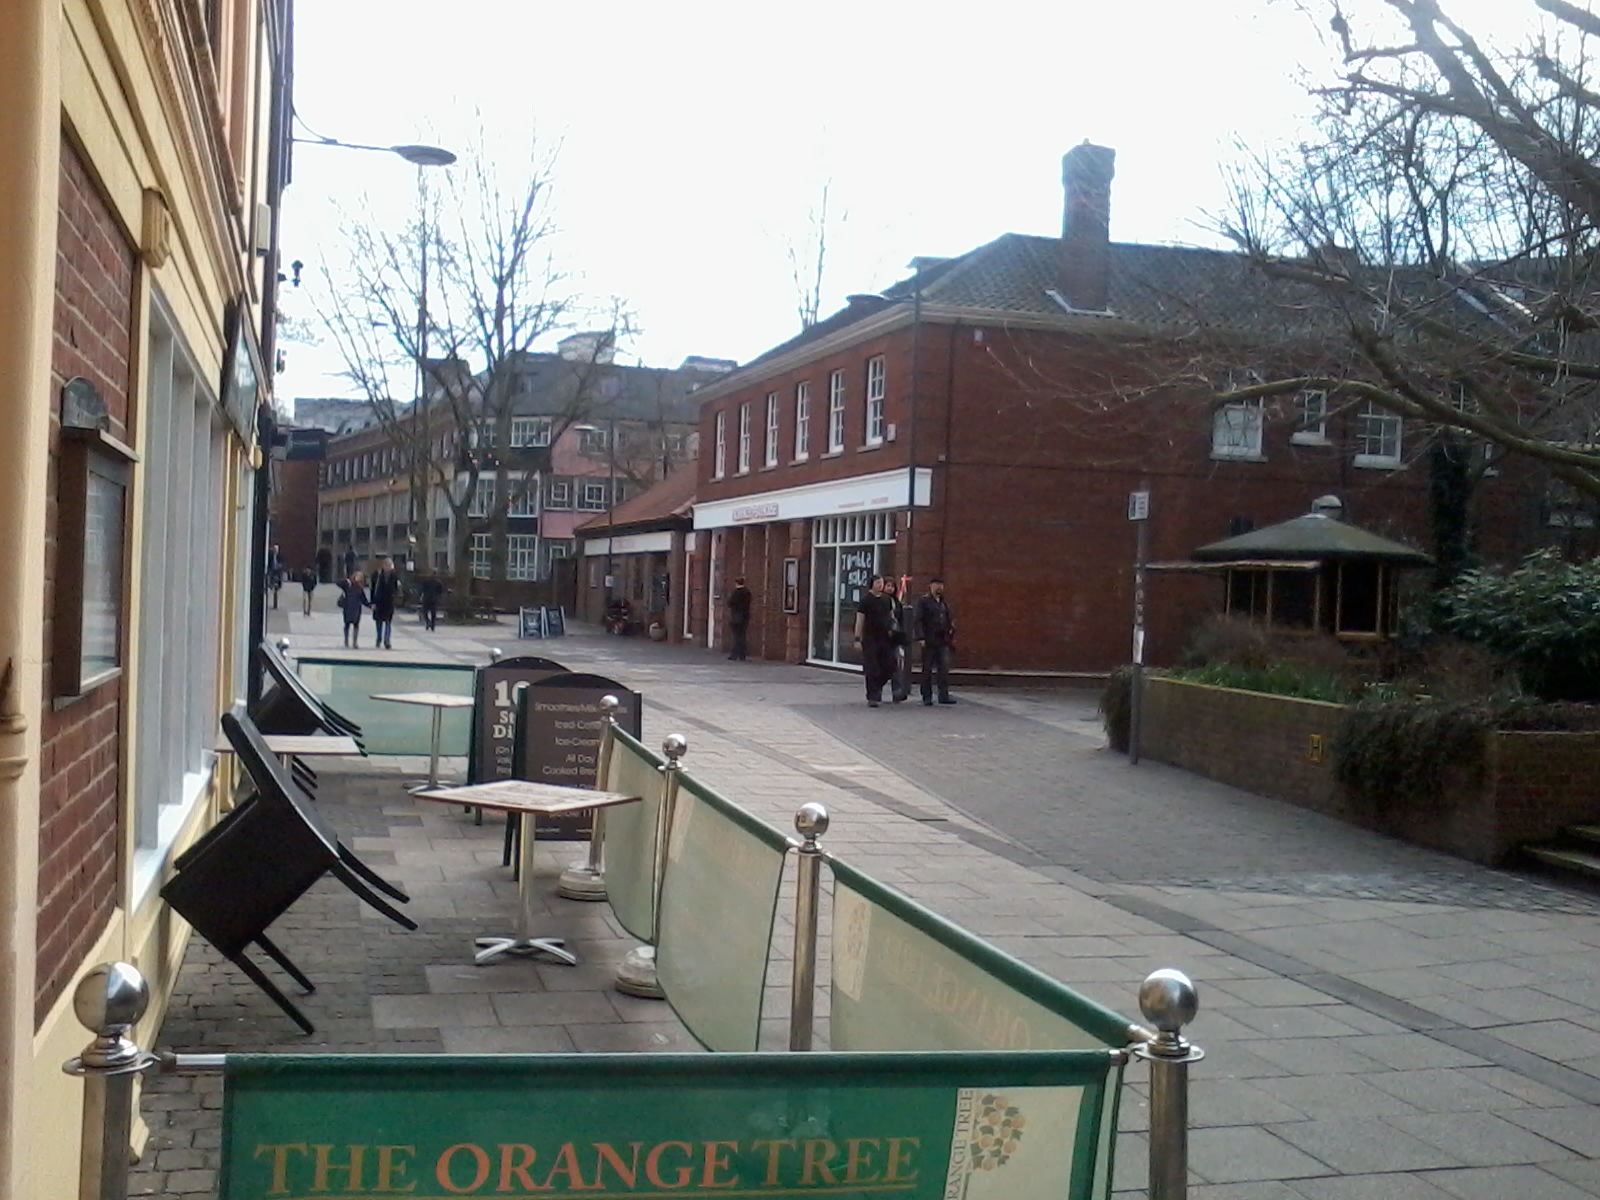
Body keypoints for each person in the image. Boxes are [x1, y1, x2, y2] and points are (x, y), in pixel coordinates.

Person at [852, 574, 899, 708]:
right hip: (870, 638)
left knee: (890, 665)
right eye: (878, 582)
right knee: (872, 667)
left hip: (885, 637)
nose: (880, 585)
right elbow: (860, 620)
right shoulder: (865, 601)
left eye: (882, 582)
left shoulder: (887, 599)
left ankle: (878, 686)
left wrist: (894, 630)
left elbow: (892, 616)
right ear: (872, 584)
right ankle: (872, 696)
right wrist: (857, 638)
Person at [915, 576, 958, 706]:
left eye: (941, 585)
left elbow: (948, 619)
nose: (939, 587)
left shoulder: (943, 603)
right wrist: (921, 637)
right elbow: (918, 620)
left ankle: (943, 695)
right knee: (927, 669)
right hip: (929, 639)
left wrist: (951, 631)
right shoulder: (924, 601)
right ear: (930, 586)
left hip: (943, 640)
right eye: (936, 584)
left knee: (944, 668)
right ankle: (926, 696)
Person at [885, 577, 911, 702]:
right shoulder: (880, 601)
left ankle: (897, 691)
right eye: (888, 586)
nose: (890, 588)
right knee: (883, 665)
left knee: (896, 664)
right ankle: (876, 691)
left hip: (895, 636)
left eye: (892, 586)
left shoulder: (896, 602)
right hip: (882, 637)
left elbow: (901, 619)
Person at [369, 557, 399, 649]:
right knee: (379, 622)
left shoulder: (394, 575)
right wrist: (372, 602)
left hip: (389, 602)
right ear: (383, 566)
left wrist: (395, 597)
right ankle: (379, 638)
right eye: (387, 565)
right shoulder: (377, 575)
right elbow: (373, 589)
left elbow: (396, 588)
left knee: (388, 622)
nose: (388, 567)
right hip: (379, 601)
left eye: (390, 566)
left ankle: (387, 641)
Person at [338, 571, 369, 648]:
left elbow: (364, 600)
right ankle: (346, 640)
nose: (358, 578)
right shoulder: (347, 585)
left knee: (356, 625)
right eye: (357, 576)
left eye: (360, 577)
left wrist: (370, 606)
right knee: (347, 624)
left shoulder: (360, 588)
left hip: (356, 609)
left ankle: (355, 642)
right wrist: (346, 580)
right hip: (347, 607)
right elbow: (338, 583)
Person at [726, 576, 752, 661]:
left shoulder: (735, 593)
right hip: (745, 616)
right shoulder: (747, 592)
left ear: (736, 583)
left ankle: (734, 655)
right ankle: (742, 655)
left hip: (736, 616)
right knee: (742, 635)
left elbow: (729, 603)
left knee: (736, 636)